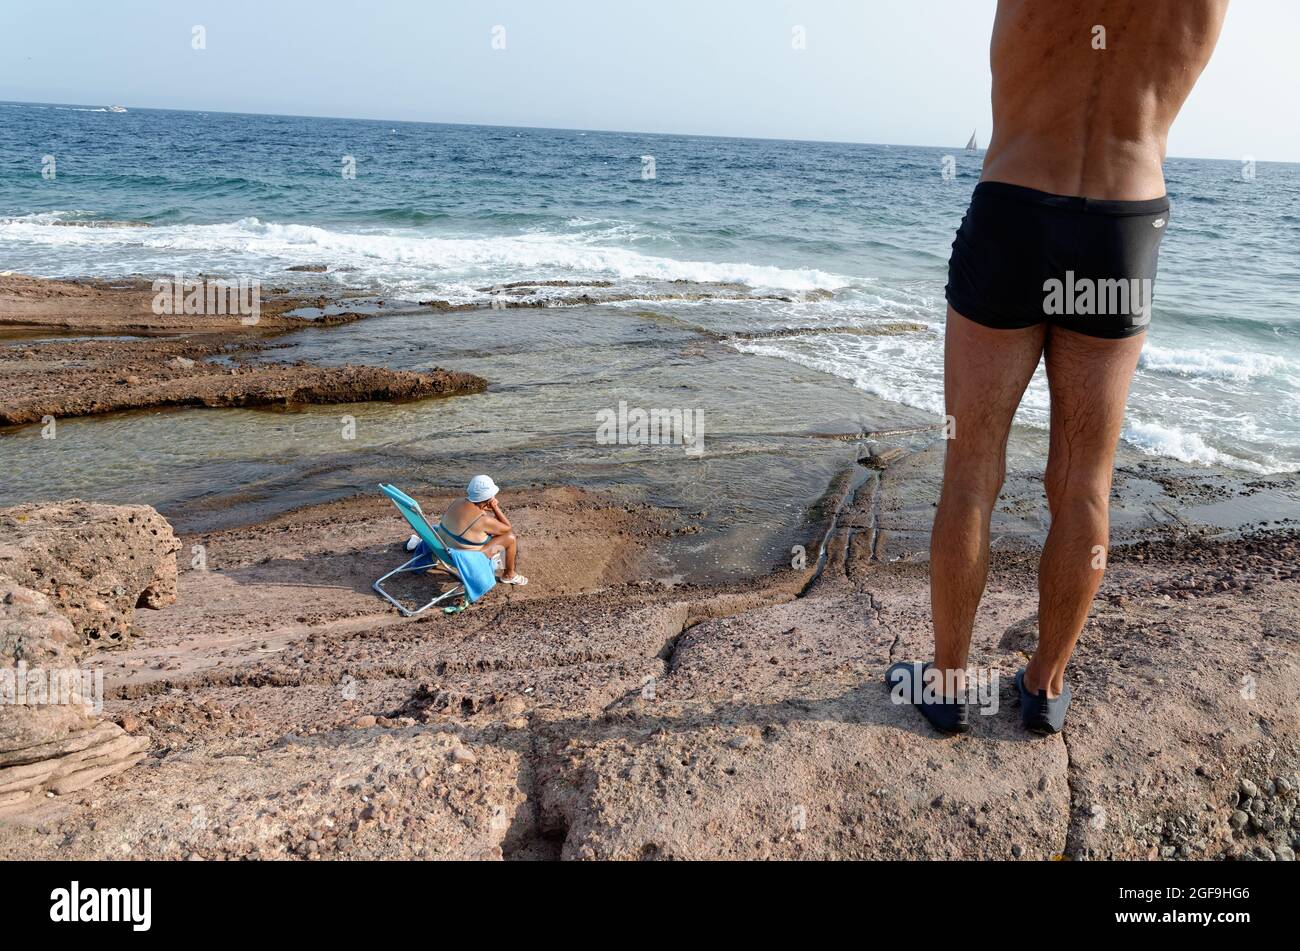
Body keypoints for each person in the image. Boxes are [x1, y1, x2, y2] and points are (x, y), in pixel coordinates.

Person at [887, 0, 1229, 735]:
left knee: (972, 467)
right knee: (1084, 482)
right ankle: (1044, 683)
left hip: (1014, 205)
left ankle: (947, 683)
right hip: (1122, 223)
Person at [423, 475, 527, 586]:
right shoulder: (483, 520)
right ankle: (509, 575)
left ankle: (499, 560)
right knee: (510, 538)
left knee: (491, 533)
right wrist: (495, 508)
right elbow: (507, 528)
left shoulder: (457, 502)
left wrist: (484, 506)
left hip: (443, 548)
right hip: (465, 558)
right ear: (489, 498)